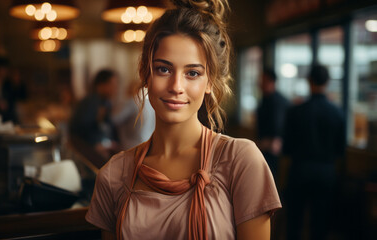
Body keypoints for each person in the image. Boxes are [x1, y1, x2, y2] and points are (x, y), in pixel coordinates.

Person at [86, 0, 281, 239]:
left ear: (210, 82)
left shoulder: (240, 161)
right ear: (145, 74)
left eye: (193, 73)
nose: (176, 86)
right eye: (163, 69)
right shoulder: (113, 174)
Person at [283, 64, 346, 240]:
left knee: (294, 222)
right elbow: (340, 150)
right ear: (327, 82)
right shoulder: (337, 113)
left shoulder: (295, 112)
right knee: (321, 224)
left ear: (309, 81)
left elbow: (286, 148)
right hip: (326, 173)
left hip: (299, 171)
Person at [69, 69, 120, 169]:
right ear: (101, 85)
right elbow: (81, 129)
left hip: (101, 150)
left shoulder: (106, 102)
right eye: (112, 84)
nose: (115, 88)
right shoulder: (90, 102)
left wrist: (111, 143)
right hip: (88, 155)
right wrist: (96, 144)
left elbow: (107, 126)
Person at [256, 68, 290, 178]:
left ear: (271, 82)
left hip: (275, 152)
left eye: (263, 80)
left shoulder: (279, 102)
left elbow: (279, 129)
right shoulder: (264, 100)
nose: (260, 83)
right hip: (263, 148)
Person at [112, 80, 155, 150]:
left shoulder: (132, 102)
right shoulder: (151, 105)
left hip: (130, 145)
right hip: (147, 144)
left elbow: (115, 120)